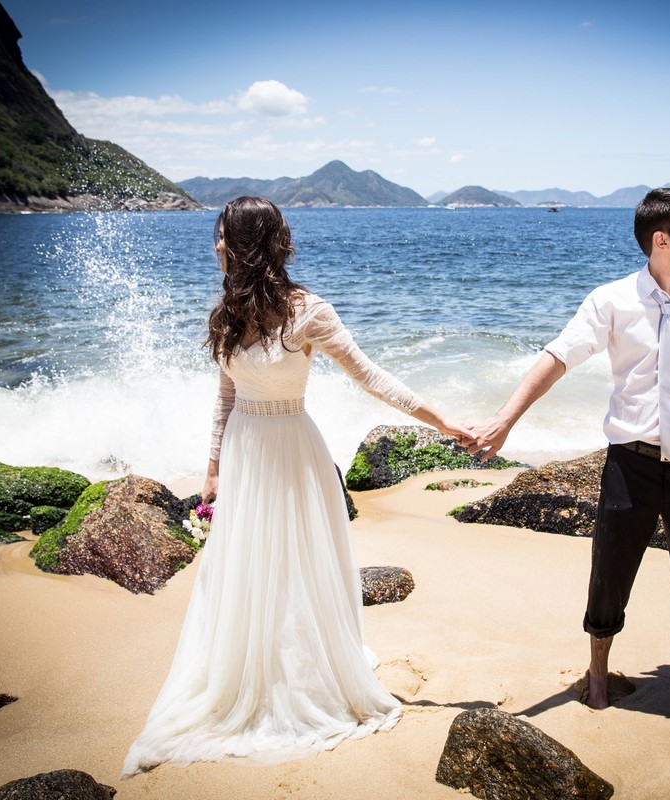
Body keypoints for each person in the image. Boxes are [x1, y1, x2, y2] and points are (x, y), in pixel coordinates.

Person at [123, 196, 470, 776]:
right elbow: (226, 394)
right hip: (246, 451)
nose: (215, 245)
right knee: (250, 568)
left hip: (292, 449)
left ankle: (300, 676)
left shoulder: (308, 312)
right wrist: (213, 467)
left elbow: (371, 377)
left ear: (245, 244)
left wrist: (442, 421)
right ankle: (253, 670)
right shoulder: (227, 312)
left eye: (222, 235)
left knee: (295, 565)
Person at [466, 187, 670, 715]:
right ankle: (597, 674)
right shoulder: (612, 300)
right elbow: (559, 356)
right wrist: (505, 419)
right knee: (610, 572)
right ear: (662, 240)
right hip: (631, 463)